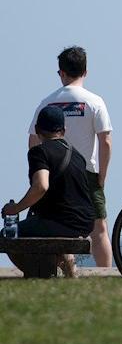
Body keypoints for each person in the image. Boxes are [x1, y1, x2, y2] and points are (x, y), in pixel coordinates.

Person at [27, 46, 114, 267]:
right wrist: (102, 176)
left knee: (57, 223)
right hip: (87, 173)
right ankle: (105, 275)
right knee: (99, 228)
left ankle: (68, 267)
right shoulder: (95, 102)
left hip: (53, 173)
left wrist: (38, 173)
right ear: (85, 71)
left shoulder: (47, 102)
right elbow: (105, 141)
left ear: (61, 72)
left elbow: (32, 140)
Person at [3, 106, 94, 277]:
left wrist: (16, 209)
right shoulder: (77, 155)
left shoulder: (39, 152)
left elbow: (41, 186)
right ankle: (66, 266)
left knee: (7, 235)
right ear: (64, 130)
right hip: (85, 223)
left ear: (37, 130)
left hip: (62, 222)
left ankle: (41, 276)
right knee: (41, 226)